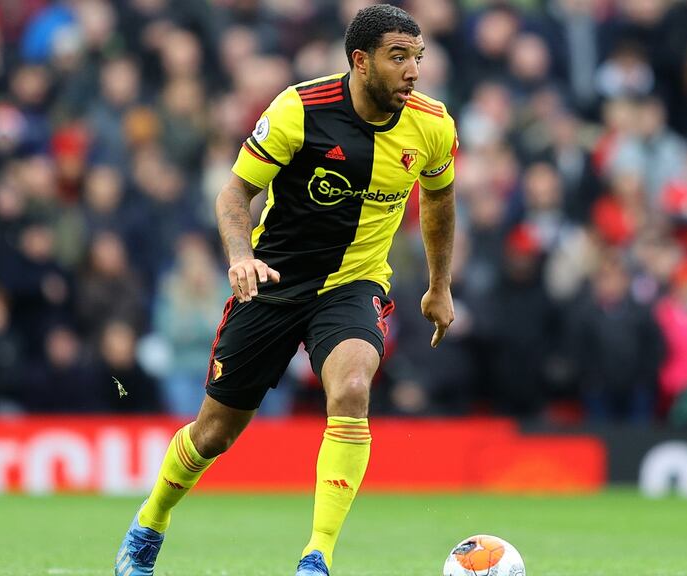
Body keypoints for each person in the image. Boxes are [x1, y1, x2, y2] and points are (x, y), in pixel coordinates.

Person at [115, 5, 457, 576]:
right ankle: (150, 522)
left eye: (417, 57)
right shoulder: (299, 108)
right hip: (273, 281)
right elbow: (233, 196)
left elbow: (442, 201)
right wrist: (241, 255)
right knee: (214, 434)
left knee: (351, 387)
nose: (413, 71)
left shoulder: (433, 124)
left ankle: (316, 556)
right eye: (399, 57)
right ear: (360, 61)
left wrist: (439, 285)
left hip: (354, 284)